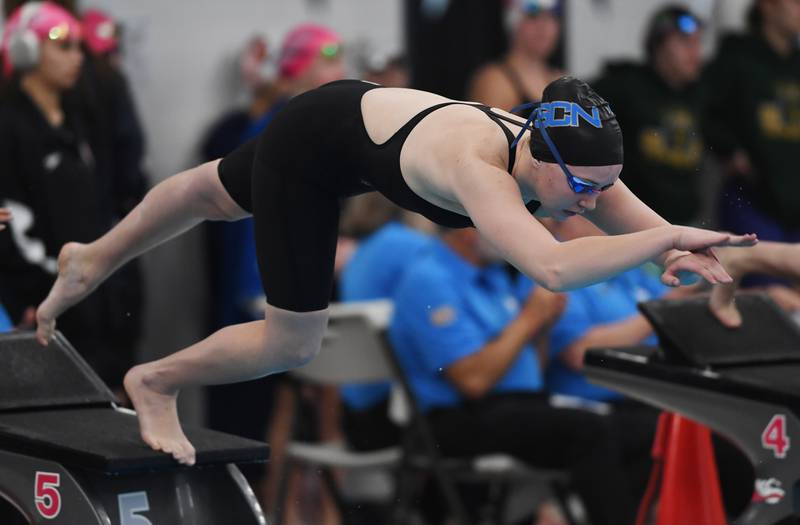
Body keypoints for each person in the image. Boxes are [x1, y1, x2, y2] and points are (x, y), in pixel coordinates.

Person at [34, 73, 756, 466]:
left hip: (347, 123)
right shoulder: (482, 167)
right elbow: (555, 268)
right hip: (314, 151)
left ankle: (90, 255)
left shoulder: (567, 161)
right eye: (587, 187)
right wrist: (672, 235)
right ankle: (155, 380)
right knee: (293, 340)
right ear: (541, 156)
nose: (597, 200)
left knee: (208, 192)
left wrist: (677, 247)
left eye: (607, 183)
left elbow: (644, 227)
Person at [388, 225, 639, 524]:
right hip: (455, 415)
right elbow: (473, 382)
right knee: (590, 431)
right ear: (468, 228)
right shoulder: (429, 279)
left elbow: (531, 373)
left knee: (639, 432)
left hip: (514, 406)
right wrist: (529, 318)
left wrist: (543, 326)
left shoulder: (491, 274)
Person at [592, 6, 707, 224]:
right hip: (628, 225)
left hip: (684, 222)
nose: (695, 52)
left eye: (698, 43)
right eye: (685, 42)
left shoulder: (701, 94)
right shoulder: (626, 86)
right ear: (658, 45)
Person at [704, 0, 800, 241]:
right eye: (795, 2)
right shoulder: (737, 57)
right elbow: (702, 110)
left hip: (795, 200)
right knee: (762, 274)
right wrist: (728, 150)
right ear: (767, 6)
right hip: (753, 199)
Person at [469, 0, 563, 113]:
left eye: (551, 16)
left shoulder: (561, 80)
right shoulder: (494, 82)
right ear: (513, 22)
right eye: (533, 16)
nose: (544, 26)